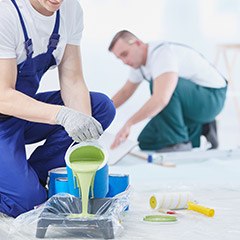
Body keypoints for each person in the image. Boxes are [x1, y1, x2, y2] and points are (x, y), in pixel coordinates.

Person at [0, 0, 115, 218]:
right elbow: (3, 96)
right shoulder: (6, 14)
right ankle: (20, 188)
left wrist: (85, 137)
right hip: (3, 112)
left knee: (100, 108)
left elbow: (72, 80)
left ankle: (35, 178)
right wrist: (62, 115)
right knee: (27, 206)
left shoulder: (69, 9)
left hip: (21, 113)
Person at [109, 30, 227, 151]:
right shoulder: (137, 64)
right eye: (120, 58)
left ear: (138, 43)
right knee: (146, 141)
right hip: (191, 102)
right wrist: (97, 115)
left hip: (211, 98)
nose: (124, 61)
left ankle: (179, 142)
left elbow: (161, 99)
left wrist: (129, 123)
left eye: (125, 54)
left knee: (162, 86)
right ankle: (202, 127)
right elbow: (125, 92)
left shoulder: (162, 54)